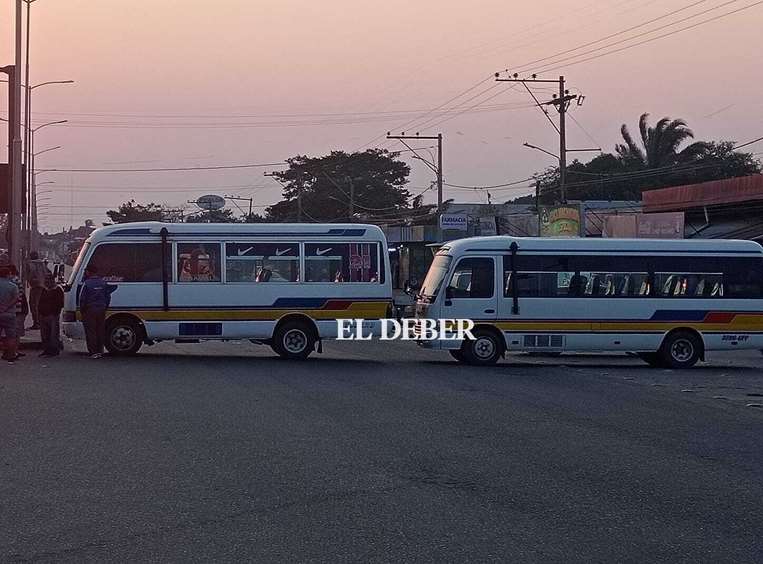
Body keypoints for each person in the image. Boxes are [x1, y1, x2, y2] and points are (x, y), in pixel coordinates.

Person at [79, 264, 117, 358]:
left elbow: (82, 299)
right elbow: (108, 296)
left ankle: (93, 352)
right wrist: (105, 307)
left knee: (91, 331)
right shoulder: (103, 283)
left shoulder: (87, 283)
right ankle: (100, 351)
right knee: (100, 330)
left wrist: (82, 310)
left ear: (89, 272)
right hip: (101, 310)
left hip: (89, 310)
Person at [38, 272, 65, 357]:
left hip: (53, 315)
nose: (47, 282)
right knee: (44, 334)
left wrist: (55, 312)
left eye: (48, 280)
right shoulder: (44, 290)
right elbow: (40, 302)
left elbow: (60, 303)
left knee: (53, 334)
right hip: (43, 315)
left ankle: (54, 350)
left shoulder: (58, 290)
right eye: (46, 280)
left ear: (52, 281)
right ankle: (46, 350)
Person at [0, 266, 20, 363]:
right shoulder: (13, 286)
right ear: (8, 274)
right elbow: (16, 299)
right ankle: (11, 355)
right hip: (9, 314)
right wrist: (6, 307)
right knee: (11, 336)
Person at [26, 251, 49, 330]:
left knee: (33, 305)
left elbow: (31, 274)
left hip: (35, 286)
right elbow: (47, 273)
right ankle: (40, 322)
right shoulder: (42, 264)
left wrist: (30, 280)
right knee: (39, 304)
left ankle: (36, 323)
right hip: (43, 286)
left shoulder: (30, 264)